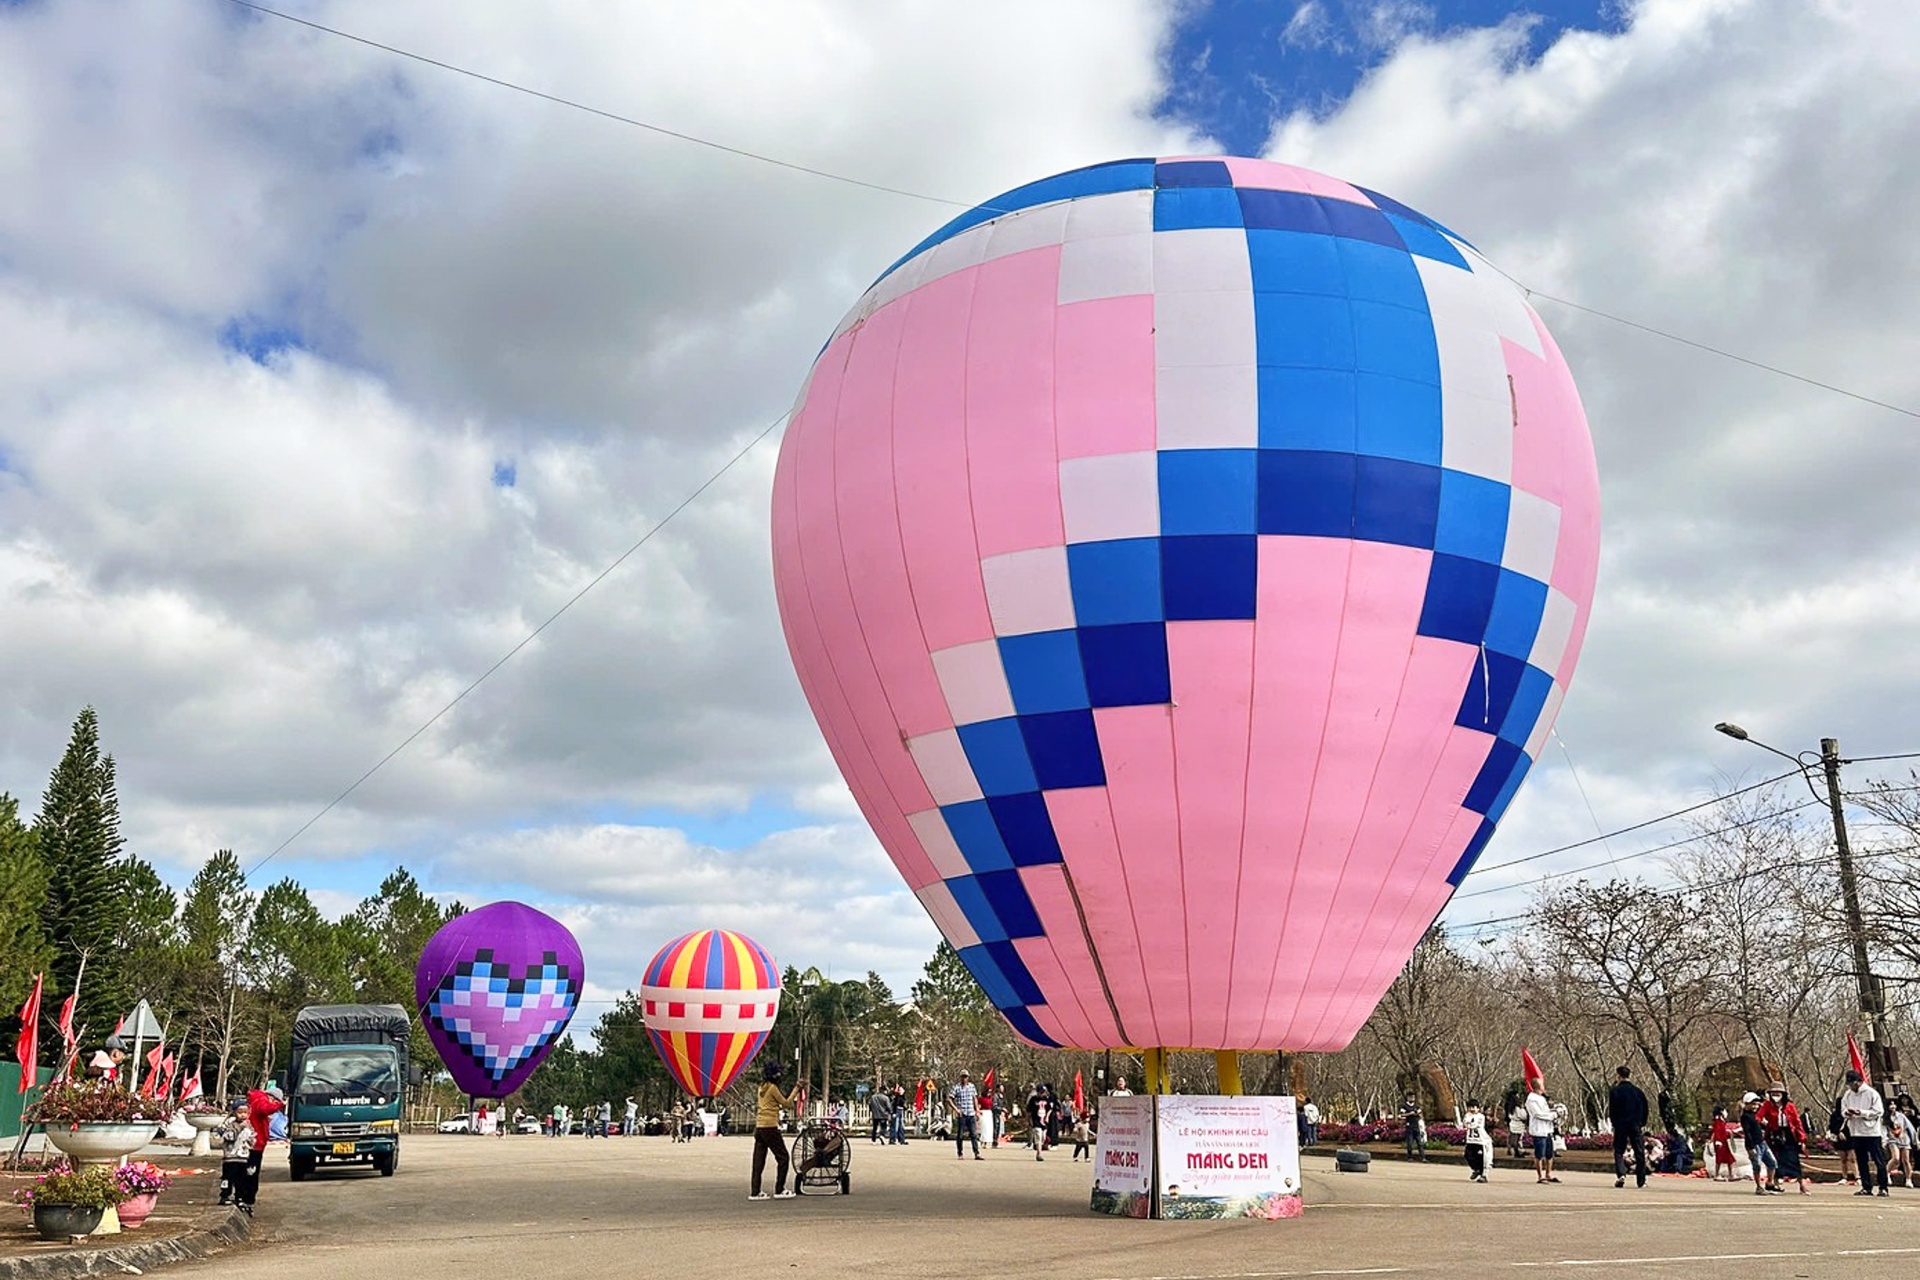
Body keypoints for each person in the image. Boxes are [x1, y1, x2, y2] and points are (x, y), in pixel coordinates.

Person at [750, 1063, 799, 1201]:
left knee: (758, 1161)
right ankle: (780, 1189)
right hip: (770, 1126)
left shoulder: (761, 1087)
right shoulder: (772, 1088)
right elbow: (787, 1104)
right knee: (783, 1157)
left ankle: (755, 1191)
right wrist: (796, 1089)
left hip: (759, 1127)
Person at [1842, 1068, 1889, 1197]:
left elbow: (1878, 1111)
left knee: (1878, 1160)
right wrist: (1847, 1113)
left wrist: (1861, 1113)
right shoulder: (1848, 1095)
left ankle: (1883, 1187)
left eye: (1852, 1084)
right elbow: (1843, 1109)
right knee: (1861, 1161)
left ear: (1858, 1082)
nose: (1851, 1087)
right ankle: (1866, 1186)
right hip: (1856, 1132)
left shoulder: (1871, 1093)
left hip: (1872, 1132)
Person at [1757, 1082, 1809, 1195]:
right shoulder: (1767, 1105)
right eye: (1773, 1093)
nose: (1775, 1096)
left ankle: (1801, 1185)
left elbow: (1797, 1123)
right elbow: (1758, 1117)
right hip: (1774, 1135)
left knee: (1794, 1160)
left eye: (1778, 1093)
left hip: (1789, 1134)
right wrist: (1764, 1123)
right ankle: (1775, 1183)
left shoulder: (1790, 1106)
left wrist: (1801, 1138)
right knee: (1776, 1160)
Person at [1607, 1065, 1650, 1190]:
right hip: (1635, 1125)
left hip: (1621, 1125)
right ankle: (1641, 1181)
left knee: (1619, 1150)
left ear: (1618, 1076)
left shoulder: (1615, 1091)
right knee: (1639, 1152)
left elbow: (1612, 1110)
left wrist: (1614, 1123)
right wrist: (1642, 1123)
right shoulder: (1638, 1092)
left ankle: (1621, 1174)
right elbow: (1645, 1109)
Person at [218, 1098, 259, 1215]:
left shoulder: (249, 1125)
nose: (243, 1115)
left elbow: (252, 1138)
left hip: (243, 1157)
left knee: (241, 1179)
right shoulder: (230, 1125)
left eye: (245, 1112)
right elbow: (229, 1137)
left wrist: (251, 1141)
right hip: (230, 1157)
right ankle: (224, 1195)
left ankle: (239, 1197)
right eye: (240, 1112)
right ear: (234, 1112)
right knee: (228, 1178)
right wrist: (240, 1128)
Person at [1739, 1092, 1776, 1194]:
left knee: (1772, 1163)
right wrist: (1750, 1148)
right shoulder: (1745, 1117)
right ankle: (1759, 1186)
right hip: (1754, 1144)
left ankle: (1769, 1182)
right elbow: (1747, 1133)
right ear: (1746, 1104)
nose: (1755, 1106)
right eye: (1753, 1104)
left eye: (1756, 1104)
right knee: (1757, 1166)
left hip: (1762, 1142)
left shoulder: (1757, 1115)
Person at [1524, 1078, 1558, 1184]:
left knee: (1549, 1153)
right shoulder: (1531, 1099)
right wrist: (1552, 1115)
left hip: (1547, 1130)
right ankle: (1540, 1176)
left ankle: (1548, 1174)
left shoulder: (1542, 1098)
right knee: (1539, 1154)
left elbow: (1546, 1111)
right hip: (1538, 1130)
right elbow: (1538, 1114)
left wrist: (1555, 1112)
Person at [950, 1070, 984, 1160]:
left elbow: (974, 1098)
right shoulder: (956, 1087)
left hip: (971, 1113)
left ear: (968, 1077)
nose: (964, 1079)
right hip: (962, 1114)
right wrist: (956, 1109)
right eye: (963, 1077)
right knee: (960, 1135)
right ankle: (960, 1153)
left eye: (966, 1077)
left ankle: (976, 1153)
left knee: (973, 1134)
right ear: (960, 1077)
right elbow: (949, 1099)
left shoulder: (972, 1087)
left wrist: (977, 1110)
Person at [1462, 1099, 1493, 1183]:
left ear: (1478, 1108)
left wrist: (1468, 1125)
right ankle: (1476, 1169)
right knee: (1468, 1155)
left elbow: (1474, 1125)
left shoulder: (1481, 1116)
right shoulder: (1467, 1115)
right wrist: (1467, 1125)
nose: (1471, 1109)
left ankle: (1484, 1175)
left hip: (1481, 1141)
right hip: (1470, 1140)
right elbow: (1465, 1124)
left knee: (1484, 1159)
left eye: (1474, 1107)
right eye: (1470, 1107)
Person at [1887, 1097, 1914, 1188]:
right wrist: (1884, 1140)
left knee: (1906, 1160)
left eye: (1894, 1104)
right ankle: (1886, 1173)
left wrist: (1915, 1141)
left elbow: (1910, 1127)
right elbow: (1883, 1130)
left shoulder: (1901, 1116)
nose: (1893, 1106)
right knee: (1896, 1158)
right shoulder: (1885, 1118)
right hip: (1892, 1140)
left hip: (1904, 1140)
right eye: (1890, 1105)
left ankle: (1908, 1179)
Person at [1709, 1106, 1738, 1180]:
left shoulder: (1722, 1120)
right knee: (1719, 1158)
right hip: (1720, 1142)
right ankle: (1717, 1175)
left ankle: (1731, 1174)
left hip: (1724, 1141)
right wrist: (1718, 1141)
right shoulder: (1718, 1121)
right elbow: (1717, 1131)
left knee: (1729, 1158)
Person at [1028, 1084, 1054, 1162]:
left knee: (1043, 1137)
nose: (1042, 1093)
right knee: (1038, 1135)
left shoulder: (1046, 1099)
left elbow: (1049, 1109)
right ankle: (1039, 1154)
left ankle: (1039, 1149)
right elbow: (1029, 1111)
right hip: (1036, 1120)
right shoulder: (1033, 1099)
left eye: (1043, 1092)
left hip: (1044, 1121)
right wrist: (1029, 1121)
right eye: (1041, 1092)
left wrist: (1047, 1117)